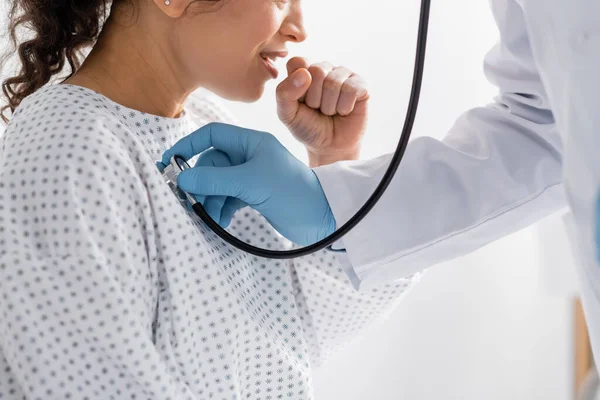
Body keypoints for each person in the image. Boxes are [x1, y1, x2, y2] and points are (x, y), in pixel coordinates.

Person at [0, 1, 420, 399]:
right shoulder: (67, 145)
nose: (299, 28)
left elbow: (293, 335)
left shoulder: (205, 122)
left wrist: (333, 163)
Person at [160, 0, 600, 366]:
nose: (300, 31)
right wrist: (336, 193)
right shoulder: (97, 150)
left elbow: (292, 336)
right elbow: (553, 124)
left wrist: (334, 181)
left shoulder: (203, 131)